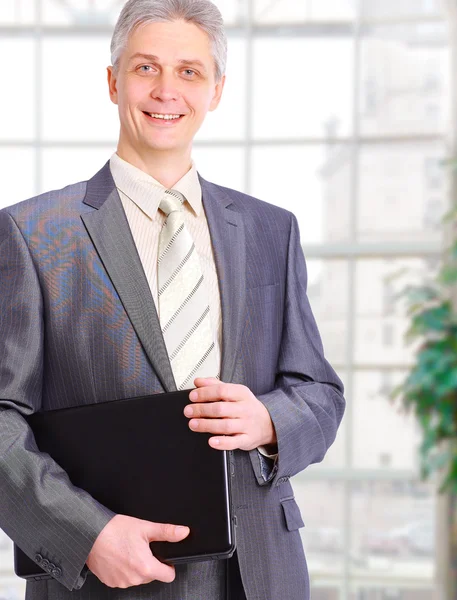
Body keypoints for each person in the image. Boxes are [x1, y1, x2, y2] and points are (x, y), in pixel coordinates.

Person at [0, 0, 345, 599]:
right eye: (145, 68)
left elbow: (319, 392)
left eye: (190, 72)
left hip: (259, 575)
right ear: (113, 82)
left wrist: (269, 421)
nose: (166, 91)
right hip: (108, 577)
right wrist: (88, 535)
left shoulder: (271, 231)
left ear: (216, 90)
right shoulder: (34, 235)